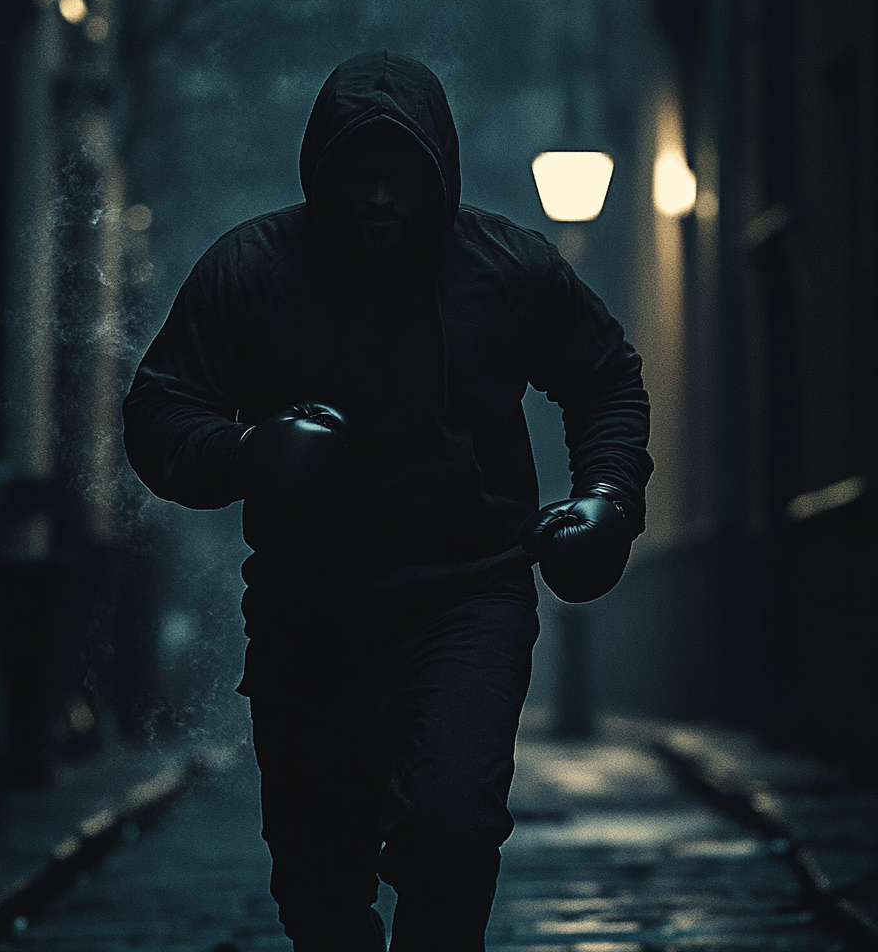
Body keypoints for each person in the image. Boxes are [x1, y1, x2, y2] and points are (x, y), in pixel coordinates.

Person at [122, 50, 652, 952]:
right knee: (319, 881)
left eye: (399, 177)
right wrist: (246, 452)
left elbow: (606, 378)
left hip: (465, 598)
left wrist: (608, 494)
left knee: (452, 828)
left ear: (436, 174)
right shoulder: (249, 272)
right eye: (357, 176)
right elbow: (162, 411)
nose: (378, 198)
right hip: (307, 611)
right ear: (321, 175)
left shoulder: (508, 270)